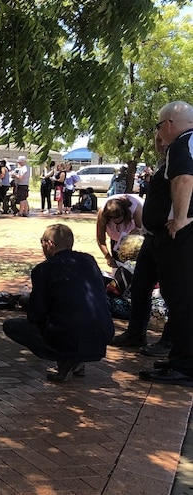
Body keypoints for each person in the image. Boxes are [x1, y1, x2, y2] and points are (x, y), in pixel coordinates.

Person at [3, 224, 114, 382]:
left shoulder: (43, 270)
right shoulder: (89, 261)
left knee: (12, 326)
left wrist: (27, 302)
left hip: (69, 334)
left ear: (50, 244)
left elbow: (36, 316)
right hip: (103, 332)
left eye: (42, 242)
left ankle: (66, 359)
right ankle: (76, 359)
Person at [140, 101, 193, 386]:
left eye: (159, 126)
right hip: (180, 235)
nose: (159, 133)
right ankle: (181, 357)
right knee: (181, 299)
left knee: (182, 299)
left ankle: (185, 365)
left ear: (169, 124)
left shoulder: (183, 144)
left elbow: (184, 179)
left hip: (182, 235)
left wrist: (181, 218)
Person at [112, 134, 173, 355]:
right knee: (139, 286)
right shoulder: (161, 164)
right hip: (151, 236)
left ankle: (170, 341)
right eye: (157, 140)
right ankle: (135, 334)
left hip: (170, 237)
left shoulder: (182, 162)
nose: (160, 142)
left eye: (163, 139)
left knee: (172, 291)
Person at [96, 193, 144, 267]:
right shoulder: (102, 214)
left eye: (118, 217)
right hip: (116, 237)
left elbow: (142, 232)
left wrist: (133, 235)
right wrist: (108, 257)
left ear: (124, 213)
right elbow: (100, 239)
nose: (116, 220)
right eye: (112, 217)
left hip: (134, 237)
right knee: (116, 261)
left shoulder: (136, 209)